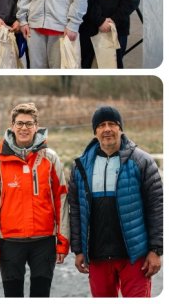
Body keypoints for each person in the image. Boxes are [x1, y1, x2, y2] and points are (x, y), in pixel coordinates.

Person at [68, 106, 163, 297]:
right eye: (101, 125)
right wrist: (78, 250)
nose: (107, 129)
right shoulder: (80, 167)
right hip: (97, 256)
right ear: (95, 131)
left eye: (112, 124)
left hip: (135, 257)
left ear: (121, 128)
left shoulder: (143, 161)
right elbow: (76, 210)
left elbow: (157, 208)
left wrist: (156, 250)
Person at [0, 103, 70, 297]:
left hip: (44, 242)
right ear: (12, 126)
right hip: (10, 243)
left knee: (41, 295)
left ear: (36, 126)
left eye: (29, 124)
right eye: (19, 123)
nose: (24, 128)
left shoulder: (50, 158)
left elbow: (61, 199)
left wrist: (63, 241)